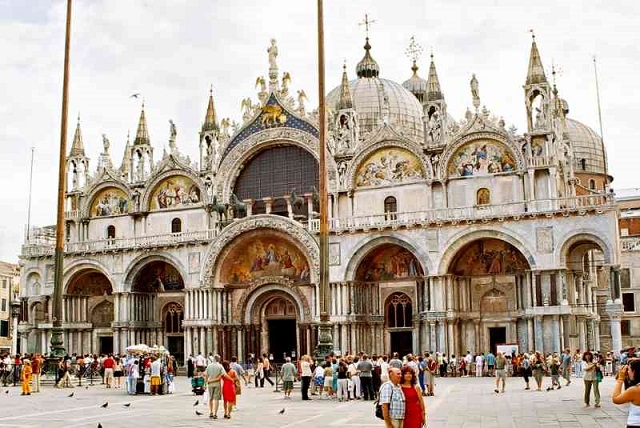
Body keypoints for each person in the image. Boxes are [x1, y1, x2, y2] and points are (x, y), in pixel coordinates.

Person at [611, 358, 640, 427]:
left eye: (629, 370)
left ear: (634, 372)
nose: (628, 372)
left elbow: (616, 399)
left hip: (635, 424)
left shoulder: (634, 390)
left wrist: (620, 379)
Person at [205, 354, 225, 419]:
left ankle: (211, 412)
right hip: (217, 384)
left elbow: (206, 376)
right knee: (216, 399)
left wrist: (205, 384)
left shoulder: (209, 366)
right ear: (218, 359)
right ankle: (215, 414)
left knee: (210, 398)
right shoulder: (220, 366)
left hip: (210, 384)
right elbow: (223, 375)